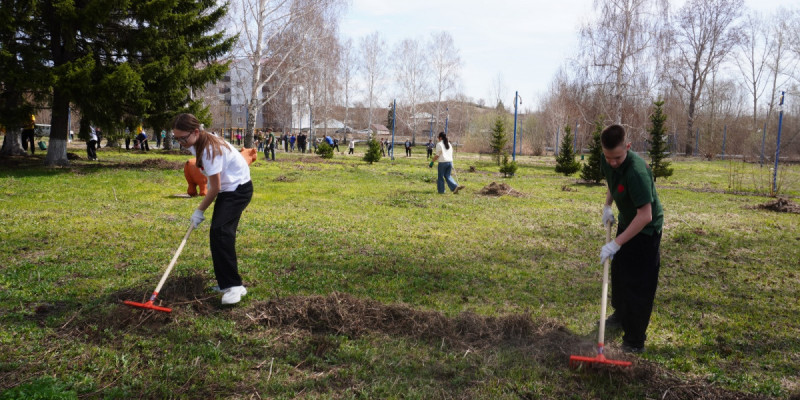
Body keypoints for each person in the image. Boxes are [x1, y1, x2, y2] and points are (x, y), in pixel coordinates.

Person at [173, 113, 253, 305]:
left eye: (183, 138)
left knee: (222, 231)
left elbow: (214, 188)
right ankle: (225, 283)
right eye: (176, 138)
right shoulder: (196, 143)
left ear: (195, 132)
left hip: (238, 189)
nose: (181, 143)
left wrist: (199, 211)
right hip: (229, 188)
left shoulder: (209, 149)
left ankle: (235, 287)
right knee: (217, 233)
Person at [598, 124, 663, 354]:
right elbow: (612, 180)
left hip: (647, 229)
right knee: (620, 272)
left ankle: (635, 340)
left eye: (617, 157)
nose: (612, 162)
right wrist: (607, 205)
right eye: (608, 157)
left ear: (628, 146)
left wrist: (616, 243)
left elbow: (646, 215)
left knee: (639, 284)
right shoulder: (607, 159)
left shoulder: (637, 171)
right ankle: (620, 316)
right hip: (628, 219)